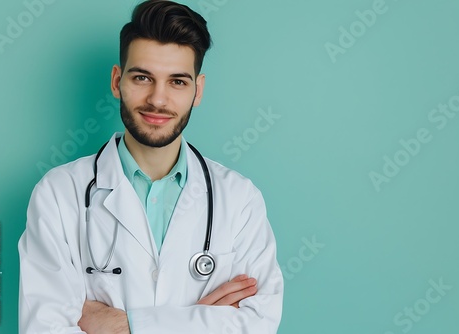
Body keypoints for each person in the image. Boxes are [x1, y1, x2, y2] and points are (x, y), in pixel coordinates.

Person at [18, 1, 283, 333]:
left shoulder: (240, 199)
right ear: (117, 81)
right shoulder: (59, 194)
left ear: (197, 90)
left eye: (177, 82)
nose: (158, 99)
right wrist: (198, 318)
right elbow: (43, 329)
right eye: (142, 77)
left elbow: (257, 324)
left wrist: (128, 325)